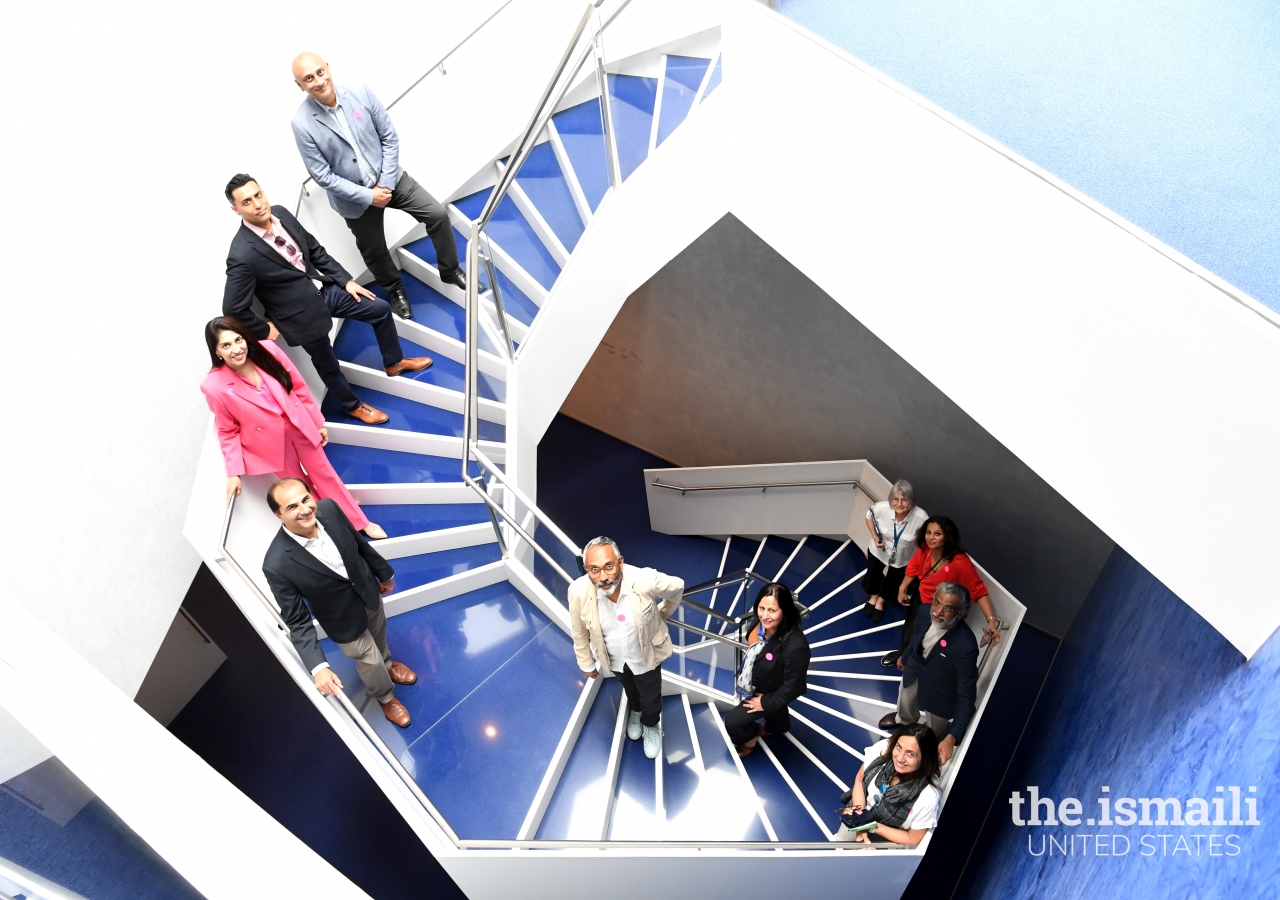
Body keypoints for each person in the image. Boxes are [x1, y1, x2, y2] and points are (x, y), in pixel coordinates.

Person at [222, 174, 434, 426]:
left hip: (326, 290)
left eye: (258, 195)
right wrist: (263, 328)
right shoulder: (242, 254)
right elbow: (232, 307)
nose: (257, 204)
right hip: (298, 315)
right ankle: (353, 407)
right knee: (328, 364)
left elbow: (314, 250)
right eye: (247, 202)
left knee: (379, 309)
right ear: (236, 209)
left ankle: (395, 362)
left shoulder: (281, 213)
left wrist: (345, 280)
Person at [290, 53, 466, 321]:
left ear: (328, 68)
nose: (318, 81)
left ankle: (450, 270)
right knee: (374, 251)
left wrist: (384, 183)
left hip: (391, 178)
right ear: (299, 85)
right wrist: (368, 196)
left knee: (437, 215)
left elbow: (389, 136)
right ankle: (395, 290)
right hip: (354, 200)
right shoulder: (302, 124)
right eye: (308, 78)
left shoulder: (359, 90)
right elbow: (322, 175)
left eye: (320, 72)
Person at [200, 317, 386, 539]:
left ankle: (360, 522)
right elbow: (228, 430)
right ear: (216, 351)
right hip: (268, 444)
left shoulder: (267, 349)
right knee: (298, 490)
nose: (236, 349)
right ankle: (333, 528)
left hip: (298, 425)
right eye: (226, 345)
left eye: (238, 339)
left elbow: (298, 386)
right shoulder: (213, 386)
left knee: (325, 475)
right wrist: (234, 473)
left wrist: (317, 423)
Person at [261, 479, 417, 727]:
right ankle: (385, 697)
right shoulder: (276, 564)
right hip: (341, 620)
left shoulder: (330, 509)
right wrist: (318, 667)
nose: (304, 509)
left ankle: (388, 664)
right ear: (278, 514)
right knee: (369, 660)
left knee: (379, 636)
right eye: (292, 507)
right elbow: (297, 620)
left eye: (305, 499)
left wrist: (383, 573)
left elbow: (358, 544)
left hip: (368, 591)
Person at [568, 537, 683, 759]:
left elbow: (677, 587)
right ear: (586, 569)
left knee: (651, 696)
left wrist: (662, 614)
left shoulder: (644, 580)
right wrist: (586, 662)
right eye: (594, 570)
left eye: (609, 567)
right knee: (630, 688)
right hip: (614, 658)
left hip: (645, 656)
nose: (603, 577)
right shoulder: (578, 591)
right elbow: (579, 630)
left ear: (620, 562)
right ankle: (635, 710)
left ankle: (650, 724)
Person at [878, 582, 978, 764]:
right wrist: (905, 657)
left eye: (948, 608)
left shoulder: (966, 646)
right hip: (914, 670)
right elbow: (916, 638)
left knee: (935, 730)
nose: (938, 611)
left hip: (940, 693)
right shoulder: (925, 611)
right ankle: (904, 721)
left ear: (961, 613)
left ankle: (931, 739)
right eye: (937, 602)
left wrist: (952, 737)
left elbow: (967, 696)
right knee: (905, 700)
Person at [881, 515, 999, 668]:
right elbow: (913, 568)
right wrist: (902, 589)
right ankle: (903, 653)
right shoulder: (925, 549)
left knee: (924, 639)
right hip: (919, 600)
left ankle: (910, 661)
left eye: (937, 534)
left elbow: (979, 591)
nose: (931, 538)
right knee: (909, 629)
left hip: (938, 609)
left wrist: (991, 620)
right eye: (928, 532)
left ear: (947, 537)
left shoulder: (960, 562)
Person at [725, 583, 811, 758]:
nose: (764, 616)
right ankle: (778, 727)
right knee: (777, 713)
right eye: (761, 608)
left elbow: (794, 687)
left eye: (772, 610)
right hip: (764, 678)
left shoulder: (796, 647)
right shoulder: (761, 624)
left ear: (785, 611)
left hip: (770, 690)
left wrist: (764, 702)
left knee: (733, 723)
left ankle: (753, 735)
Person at [835, 723, 942, 847]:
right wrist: (859, 817)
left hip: (882, 842)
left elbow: (912, 838)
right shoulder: (883, 750)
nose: (900, 758)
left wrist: (870, 826)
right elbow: (860, 780)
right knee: (839, 844)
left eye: (910, 754)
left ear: (925, 759)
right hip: (855, 816)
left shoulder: (929, 797)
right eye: (899, 747)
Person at [861, 480, 928, 624]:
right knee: (872, 575)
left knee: (894, 581)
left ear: (911, 500)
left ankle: (881, 601)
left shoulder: (922, 518)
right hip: (878, 552)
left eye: (904, 500)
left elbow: (925, 540)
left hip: (902, 558)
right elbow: (868, 517)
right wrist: (874, 535)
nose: (899, 504)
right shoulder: (881, 508)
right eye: (896, 499)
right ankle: (873, 596)